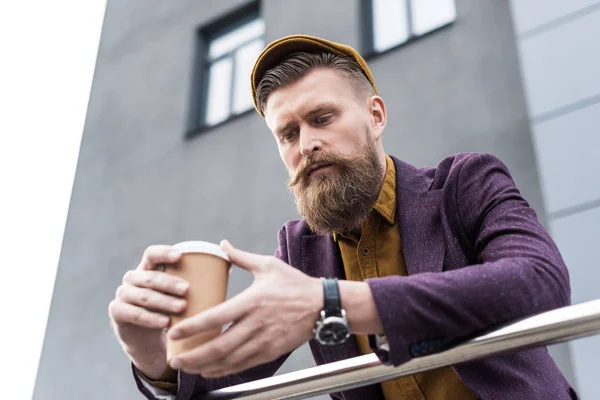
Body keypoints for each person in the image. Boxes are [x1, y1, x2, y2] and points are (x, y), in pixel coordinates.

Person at [108, 34, 579, 400]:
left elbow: (539, 282)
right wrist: (150, 352)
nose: (306, 144)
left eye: (323, 117)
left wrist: (330, 301)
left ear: (375, 116)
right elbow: (218, 381)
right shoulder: (298, 249)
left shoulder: (464, 182)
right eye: (287, 134)